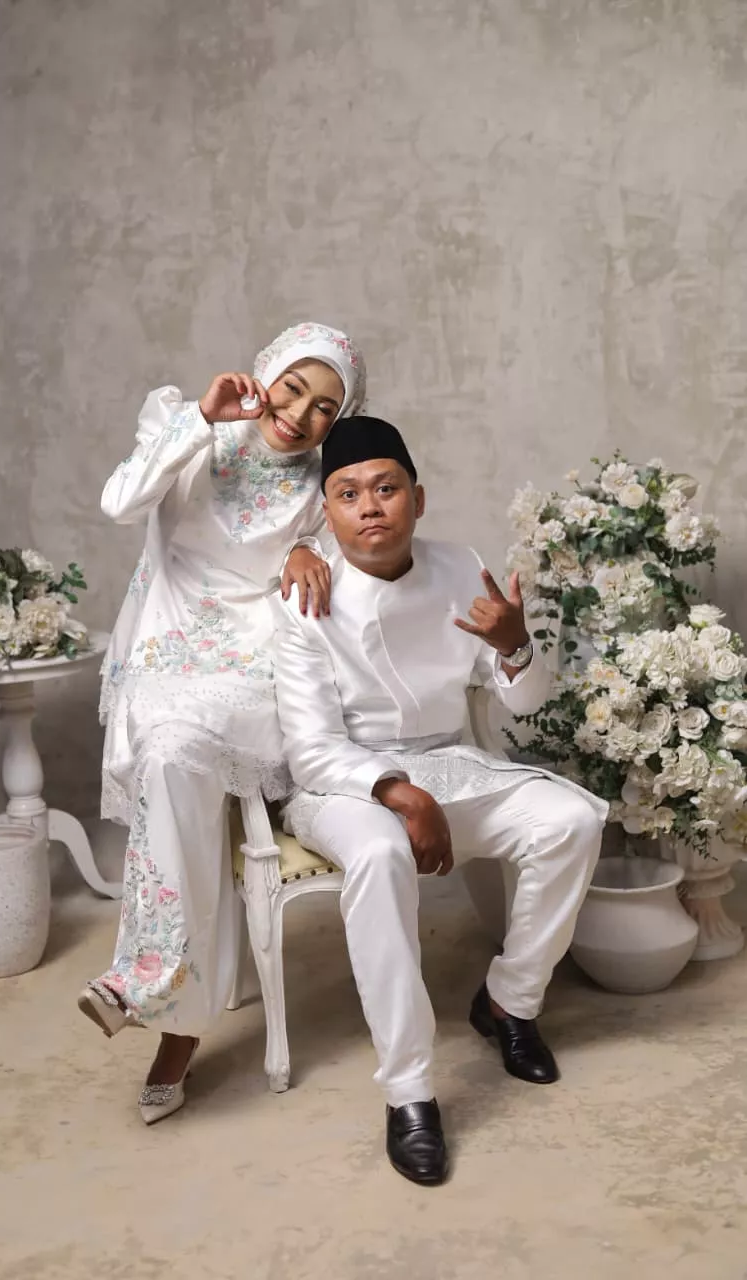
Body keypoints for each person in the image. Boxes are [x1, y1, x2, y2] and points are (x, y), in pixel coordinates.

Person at [271, 416, 607, 1186]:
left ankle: (509, 1003)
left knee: (569, 820)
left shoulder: (462, 567)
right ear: (327, 514)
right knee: (380, 850)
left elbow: (523, 703)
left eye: (385, 488)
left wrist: (515, 644)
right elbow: (310, 751)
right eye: (348, 494)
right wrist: (396, 794)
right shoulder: (306, 595)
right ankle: (409, 1093)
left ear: (416, 500)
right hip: (341, 783)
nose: (369, 506)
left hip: (447, 763)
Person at [80, 322, 367, 1125]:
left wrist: (311, 552)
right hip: (166, 652)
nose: (300, 415)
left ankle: (150, 991)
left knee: (176, 763)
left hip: (250, 669)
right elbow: (119, 502)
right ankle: (164, 1000)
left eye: (324, 407)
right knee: (170, 764)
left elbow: (349, 568)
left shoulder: (325, 486)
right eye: (292, 389)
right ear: (264, 373)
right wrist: (199, 420)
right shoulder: (191, 426)